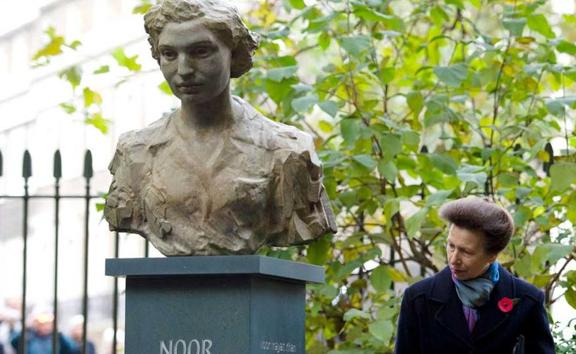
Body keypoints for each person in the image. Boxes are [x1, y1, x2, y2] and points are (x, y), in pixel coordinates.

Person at [104, 0, 336, 256]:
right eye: (169, 54)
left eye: (201, 52)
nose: (183, 70)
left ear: (234, 54)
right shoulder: (135, 153)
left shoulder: (288, 151)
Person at [394, 196, 555, 353]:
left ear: (492, 255)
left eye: (466, 252)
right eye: (451, 246)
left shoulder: (527, 301)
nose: (454, 259)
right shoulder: (417, 299)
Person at [10, 310, 77, 354]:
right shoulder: (30, 336)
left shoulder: (57, 337)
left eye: (48, 323)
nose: (45, 326)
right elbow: (14, 343)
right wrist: (27, 328)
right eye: (41, 324)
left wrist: (58, 332)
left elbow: (72, 348)